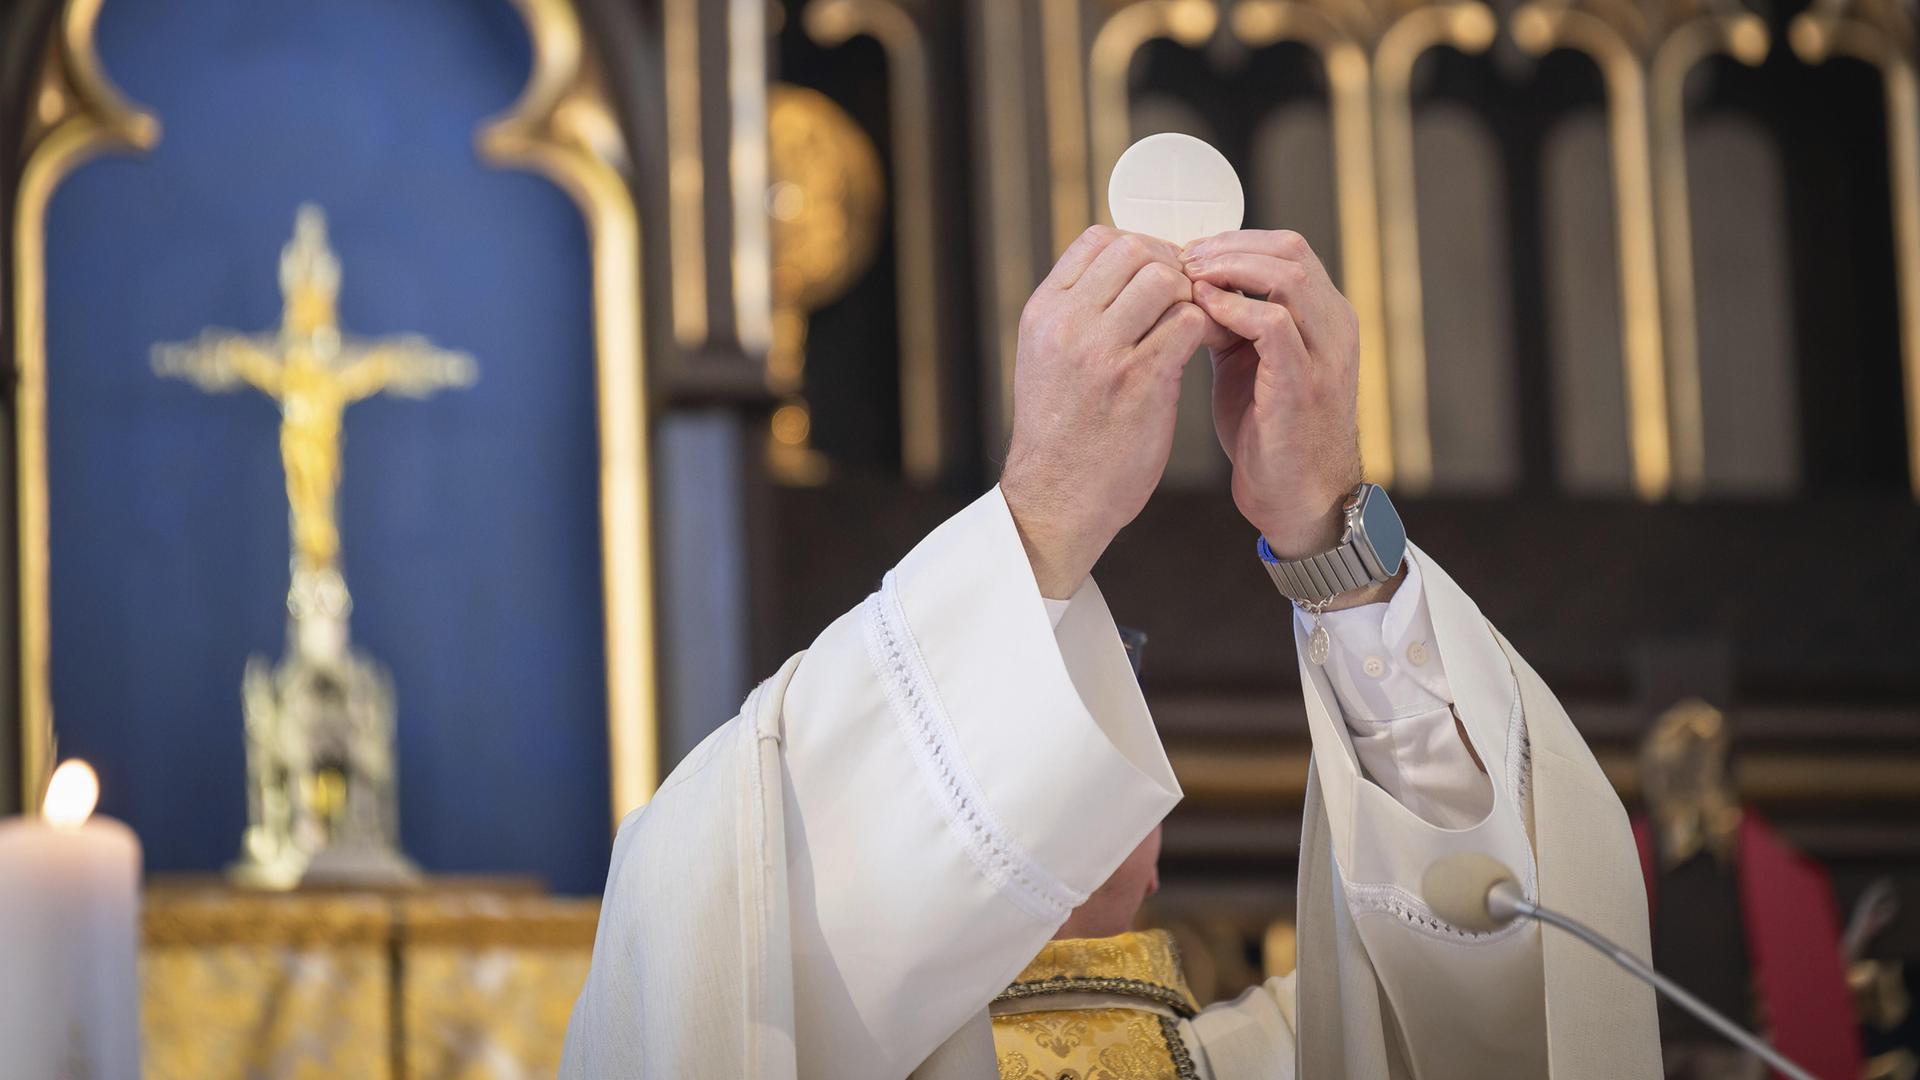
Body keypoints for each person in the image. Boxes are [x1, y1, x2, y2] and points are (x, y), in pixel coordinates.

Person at [559, 226, 1661, 1079]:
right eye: (1058, 674)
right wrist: (1041, 520)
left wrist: (1340, 548)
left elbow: (1506, 987)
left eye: (1102, 685)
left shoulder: (1280, 1056)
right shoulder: (764, 946)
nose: (1089, 748)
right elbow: (703, 950)